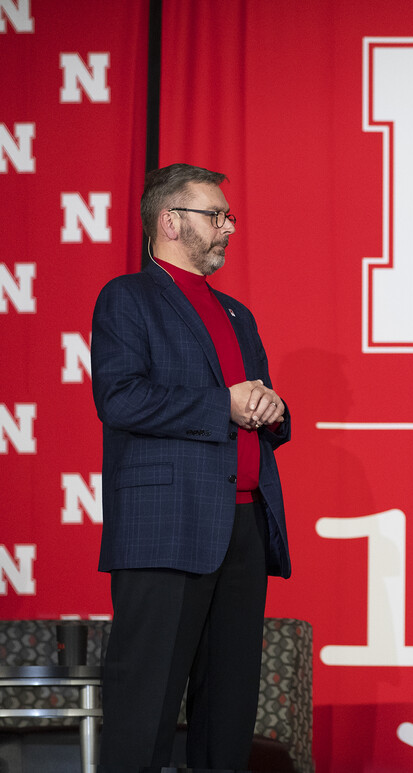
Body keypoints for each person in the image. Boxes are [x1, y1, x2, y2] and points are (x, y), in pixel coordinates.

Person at [91, 163, 292, 771]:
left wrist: (272, 408)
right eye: (217, 215)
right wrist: (223, 404)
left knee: (229, 707)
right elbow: (119, 397)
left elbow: (256, 407)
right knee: (144, 703)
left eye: (228, 216)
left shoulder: (237, 313)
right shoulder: (128, 298)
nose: (230, 227)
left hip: (243, 528)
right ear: (171, 221)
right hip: (166, 528)